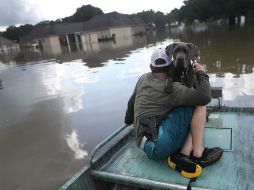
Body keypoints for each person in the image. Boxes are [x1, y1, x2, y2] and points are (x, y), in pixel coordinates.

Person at [125, 48, 223, 175]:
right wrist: (201, 73)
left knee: (184, 107)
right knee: (198, 104)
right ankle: (197, 154)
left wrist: (128, 121)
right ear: (171, 65)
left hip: (141, 143)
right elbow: (204, 97)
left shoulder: (143, 78)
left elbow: (131, 103)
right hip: (158, 148)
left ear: (150, 66)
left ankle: (184, 151)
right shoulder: (173, 88)